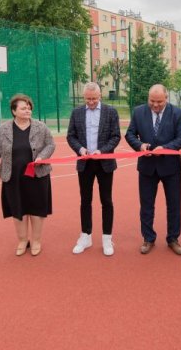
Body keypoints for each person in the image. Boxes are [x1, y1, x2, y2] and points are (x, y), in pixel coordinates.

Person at [0, 94, 55, 257]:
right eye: (23, 108)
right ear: (14, 111)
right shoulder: (2, 130)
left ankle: (36, 240)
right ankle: (23, 240)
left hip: (37, 176)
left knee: (37, 209)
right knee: (18, 209)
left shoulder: (41, 127)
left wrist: (42, 157)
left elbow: (51, 144)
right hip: (13, 177)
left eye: (29, 107)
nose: (28, 110)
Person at [125, 84, 181, 255]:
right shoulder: (138, 112)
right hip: (147, 167)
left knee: (174, 205)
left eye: (159, 101)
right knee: (146, 205)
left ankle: (173, 238)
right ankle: (148, 238)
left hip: (171, 167)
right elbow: (130, 134)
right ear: (148, 98)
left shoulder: (178, 113)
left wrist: (165, 148)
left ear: (166, 98)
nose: (156, 105)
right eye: (152, 101)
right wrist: (139, 145)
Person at [66, 82, 121, 256]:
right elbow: (71, 136)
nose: (91, 102)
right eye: (88, 99)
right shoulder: (76, 112)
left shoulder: (110, 111)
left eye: (94, 99)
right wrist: (81, 150)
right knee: (85, 201)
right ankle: (86, 236)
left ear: (100, 96)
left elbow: (115, 136)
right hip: (85, 163)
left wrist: (101, 151)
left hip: (104, 162)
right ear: (84, 97)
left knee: (106, 201)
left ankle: (107, 238)